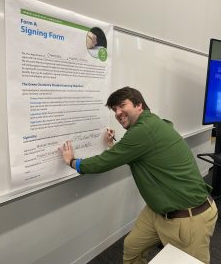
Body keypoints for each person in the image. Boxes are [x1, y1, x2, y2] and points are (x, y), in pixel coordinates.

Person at [60, 86, 218, 264]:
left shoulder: (143, 131)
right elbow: (137, 152)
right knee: (132, 247)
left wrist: (72, 161)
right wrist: (113, 144)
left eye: (121, 106)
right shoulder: (154, 123)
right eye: (114, 109)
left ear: (139, 105)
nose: (118, 112)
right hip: (158, 210)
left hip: (188, 217)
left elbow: (100, 164)